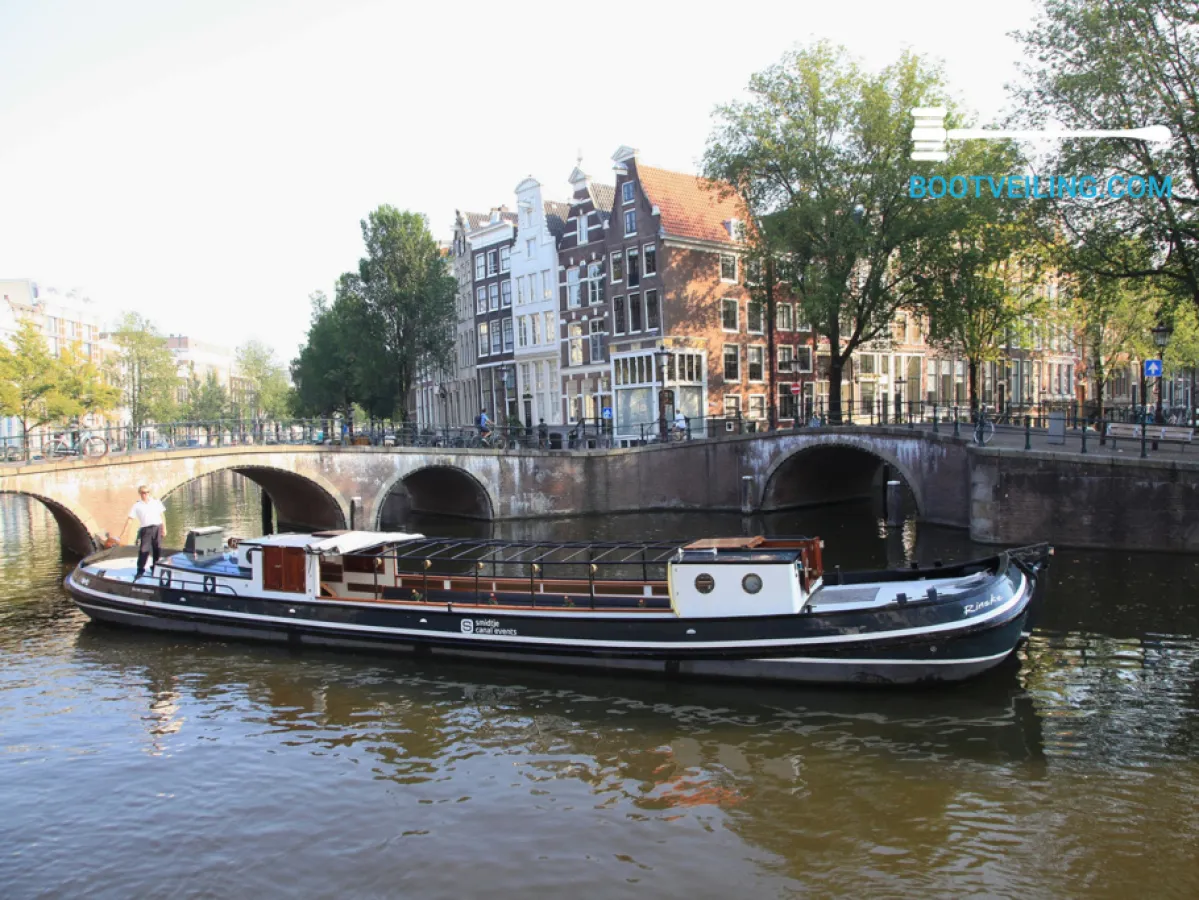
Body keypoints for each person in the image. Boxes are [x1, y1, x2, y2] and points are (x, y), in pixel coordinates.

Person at [118, 484, 167, 580]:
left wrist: (164, 528)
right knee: (144, 550)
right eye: (143, 493)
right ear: (140, 494)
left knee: (157, 549)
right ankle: (140, 570)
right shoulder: (137, 505)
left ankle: (155, 568)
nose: (145, 494)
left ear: (149, 493)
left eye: (147, 492)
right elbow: (130, 519)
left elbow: (162, 516)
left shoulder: (156, 502)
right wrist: (124, 532)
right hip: (146, 529)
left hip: (157, 527)